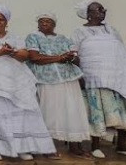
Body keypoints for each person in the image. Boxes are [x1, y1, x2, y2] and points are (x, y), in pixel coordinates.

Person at [0, 5, 55, 160]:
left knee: (19, 114)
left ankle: (22, 147)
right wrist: (1, 51)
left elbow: (25, 55)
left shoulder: (15, 37)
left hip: (15, 82)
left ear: (6, 21)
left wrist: (13, 51)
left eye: (1, 19)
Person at [72, 0, 126, 159]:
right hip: (94, 77)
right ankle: (95, 146)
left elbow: (120, 50)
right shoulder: (79, 31)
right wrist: (79, 74)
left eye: (103, 9)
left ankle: (122, 146)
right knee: (97, 111)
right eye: (99, 9)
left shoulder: (112, 29)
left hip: (118, 76)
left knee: (125, 108)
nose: (103, 12)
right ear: (89, 14)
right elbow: (75, 54)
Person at [25, 13, 92, 159]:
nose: (44, 24)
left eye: (48, 21)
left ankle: (75, 145)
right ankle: (47, 147)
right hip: (46, 79)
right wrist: (61, 57)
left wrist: (72, 57)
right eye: (41, 21)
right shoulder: (33, 37)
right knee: (50, 112)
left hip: (69, 78)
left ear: (54, 24)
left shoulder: (63, 38)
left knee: (73, 111)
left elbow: (75, 57)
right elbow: (34, 58)